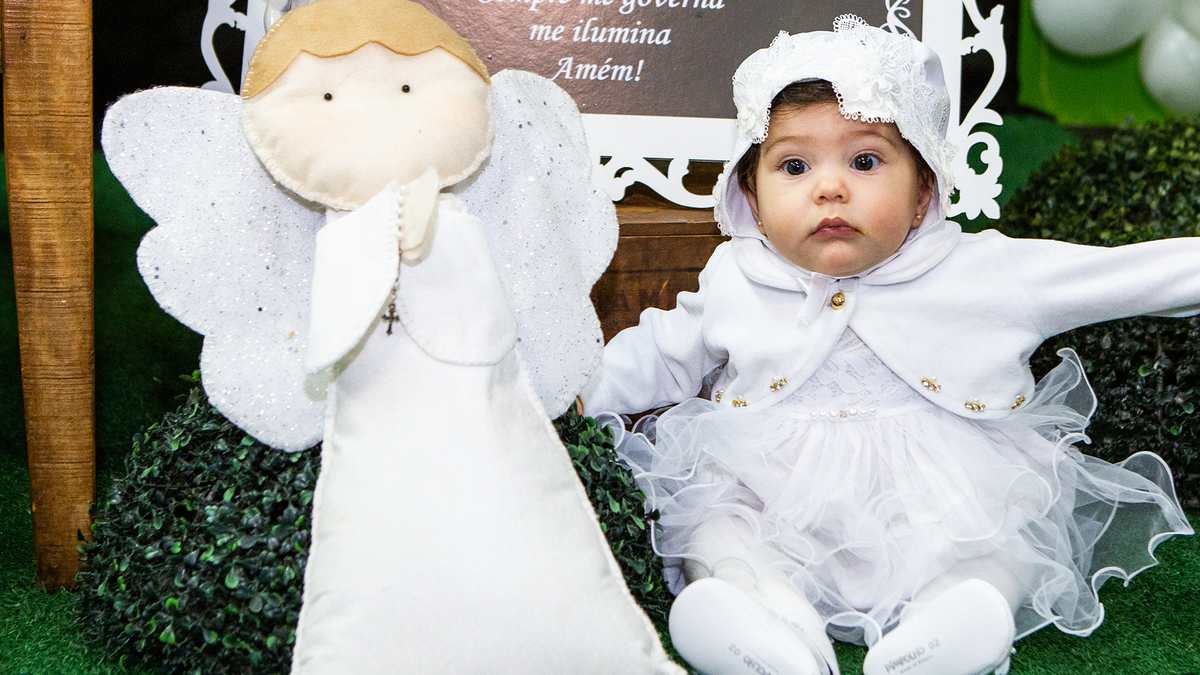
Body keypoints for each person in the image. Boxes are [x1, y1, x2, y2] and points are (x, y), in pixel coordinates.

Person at [580, 15, 1195, 675]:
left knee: (1006, 534)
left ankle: (950, 623)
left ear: (923, 189)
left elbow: (1118, 276)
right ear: (752, 198)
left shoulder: (982, 270)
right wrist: (565, 391)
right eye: (794, 165)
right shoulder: (738, 276)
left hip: (941, 506)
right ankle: (767, 617)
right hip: (772, 496)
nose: (829, 187)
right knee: (716, 525)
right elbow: (658, 354)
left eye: (865, 161)